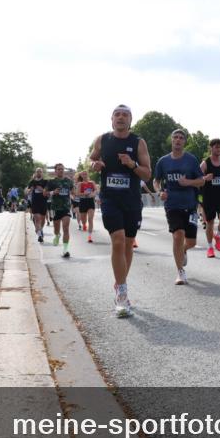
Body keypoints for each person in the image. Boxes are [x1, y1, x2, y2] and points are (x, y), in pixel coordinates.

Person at [89, 104, 151, 317]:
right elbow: (92, 159)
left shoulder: (138, 142)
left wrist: (132, 164)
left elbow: (147, 175)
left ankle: (119, 283)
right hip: (110, 199)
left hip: (131, 200)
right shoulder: (102, 140)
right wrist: (94, 165)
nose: (121, 118)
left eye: (125, 115)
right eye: (117, 114)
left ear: (130, 120)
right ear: (112, 119)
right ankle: (122, 294)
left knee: (127, 244)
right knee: (117, 239)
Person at [153, 129, 204, 285]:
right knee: (177, 235)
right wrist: (159, 191)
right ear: (171, 140)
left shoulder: (191, 160)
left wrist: (188, 182)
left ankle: (183, 250)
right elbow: (156, 181)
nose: (178, 140)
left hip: (190, 204)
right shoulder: (163, 161)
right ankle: (180, 272)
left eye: (181, 138)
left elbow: (201, 181)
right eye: (175, 137)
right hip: (172, 204)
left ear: (184, 142)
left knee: (192, 242)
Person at [200, 139, 220, 258]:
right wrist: (205, 178)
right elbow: (197, 177)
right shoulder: (205, 163)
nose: (218, 149)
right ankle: (209, 248)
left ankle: (217, 235)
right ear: (211, 148)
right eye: (216, 147)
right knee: (210, 223)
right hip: (209, 198)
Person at [46, 163, 74, 258]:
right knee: (56, 229)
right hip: (55, 208)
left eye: (62, 169)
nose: (61, 170)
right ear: (55, 171)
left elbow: (73, 191)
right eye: (59, 169)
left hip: (66, 207)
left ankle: (65, 250)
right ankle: (57, 235)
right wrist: (53, 192)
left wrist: (75, 194)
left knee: (66, 228)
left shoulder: (68, 181)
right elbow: (44, 193)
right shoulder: (51, 182)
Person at [26, 168, 48, 243]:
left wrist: (41, 189)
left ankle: (40, 229)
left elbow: (48, 193)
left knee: (43, 219)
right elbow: (26, 192)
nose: (39, 173)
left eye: (40, 172)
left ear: (42, 173)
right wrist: (30, 190)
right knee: (37, 218)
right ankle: (40, 235)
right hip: (35, 202)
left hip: (43, 202)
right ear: (35, 173)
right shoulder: (32, 182)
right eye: (37, 172)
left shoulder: (45, 182)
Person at [75, 170, 97, 243]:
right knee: (83, 220)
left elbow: (96, 190)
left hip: (90, 202)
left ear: (88, 175)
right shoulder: (80, 184)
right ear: (81, 176)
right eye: (83, 174)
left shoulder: (92, 183)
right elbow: (77, 194)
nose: (85, 175)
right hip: (83, 202)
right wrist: (84, 193)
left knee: (90, 219)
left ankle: (90, 236)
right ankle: (84, 224)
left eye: (86, 174)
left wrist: (93, 194)